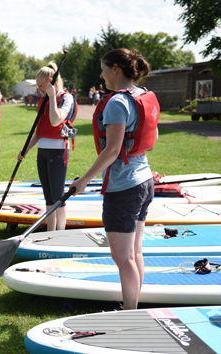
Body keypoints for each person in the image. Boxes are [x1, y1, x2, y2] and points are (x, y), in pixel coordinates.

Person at [70, 48, 159, 310]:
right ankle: (133, 305)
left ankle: (130, 311)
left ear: (116, 69)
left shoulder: (117, 102)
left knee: (122, 257)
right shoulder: (139, 94)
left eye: (104, 69)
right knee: (135, 252)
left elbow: (112, 149)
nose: (101, 74)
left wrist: (85, 179)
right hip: (144, 181)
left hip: (125, 188)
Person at [18, 63, 77, 231]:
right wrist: (25, 149)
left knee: (58, 195)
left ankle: (60, 233)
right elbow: (39, 131)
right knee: (48, 196)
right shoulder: (44, 99)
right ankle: (50, 231)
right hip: (42, 151)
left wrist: (52, 98)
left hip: (58, 151)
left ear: (50, 82)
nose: (39, 90)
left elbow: (55, 120)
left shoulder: (66, 98)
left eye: (41, 86)